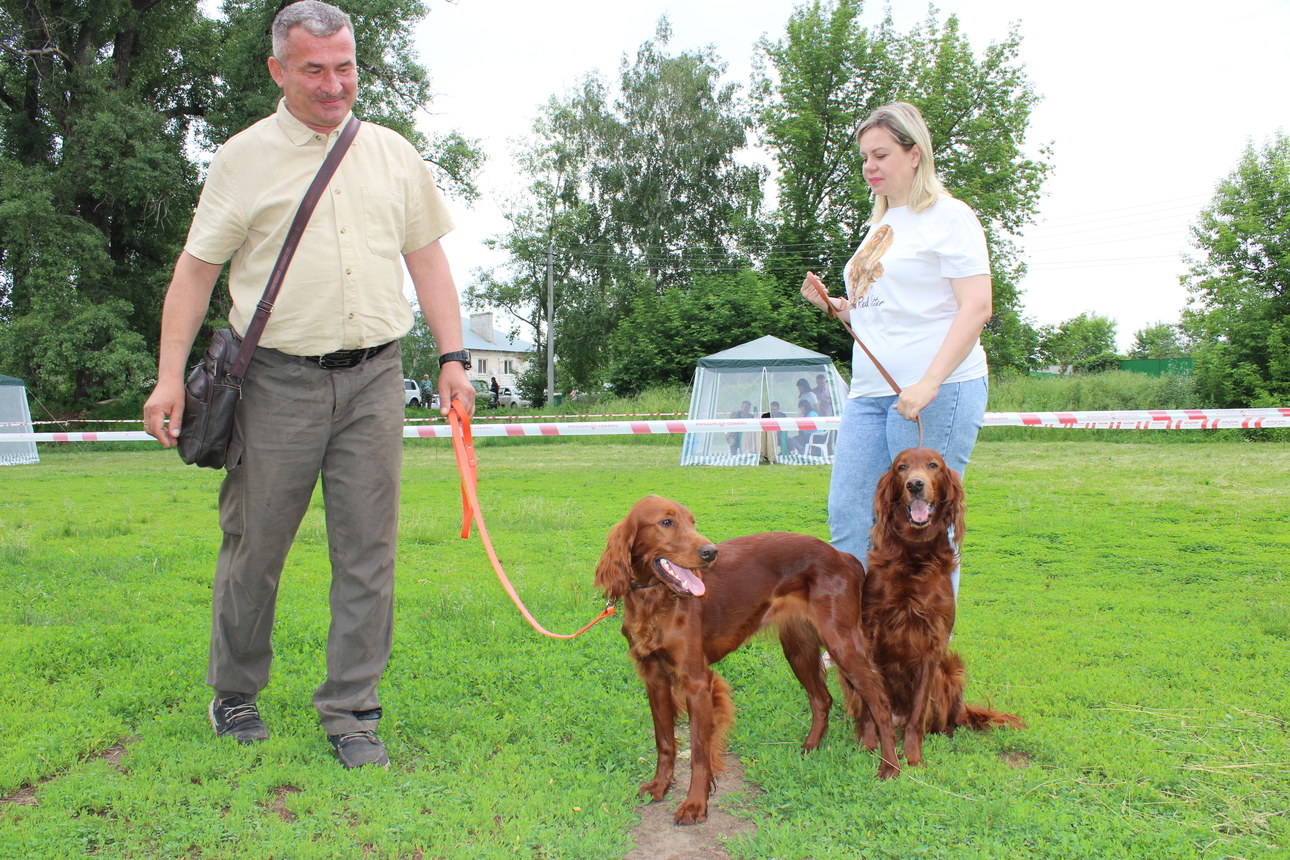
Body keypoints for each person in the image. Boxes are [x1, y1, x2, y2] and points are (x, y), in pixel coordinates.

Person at [141, 1, 476, 770]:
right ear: (278, 71)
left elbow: (428, 260)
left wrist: (453, 357)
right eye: (315, 70)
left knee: (368, 551)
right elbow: (194, 273)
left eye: (345, 67)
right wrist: (169, 379)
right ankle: (234, 692)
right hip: (275, 384)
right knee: (255, 548)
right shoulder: (242, 158)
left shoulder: (393, 153)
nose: (334, 86)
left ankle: (353, 710)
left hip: (375, 379)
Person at [800, 102, 992, 598]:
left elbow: (975, 307)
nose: (870, 167)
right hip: (868, 392)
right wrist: (839, 309)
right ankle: (857, 642)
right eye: (864, 157)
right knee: (849, 516)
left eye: (881, 154)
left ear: (914, 154)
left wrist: (927, 384)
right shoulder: (882, 222)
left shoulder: (951, 217)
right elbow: (884, 308)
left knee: (927, 528)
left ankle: (924, 651)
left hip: (938, 390)